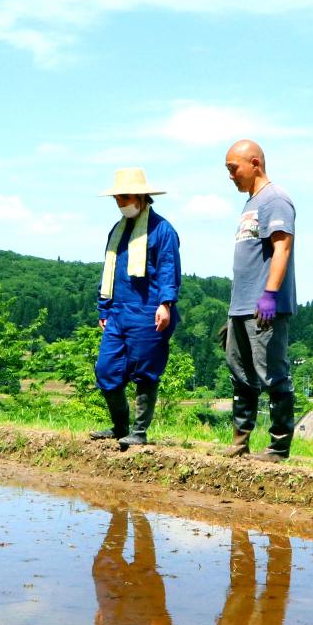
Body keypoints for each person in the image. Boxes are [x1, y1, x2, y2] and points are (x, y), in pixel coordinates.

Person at [89, 167, 182, 450]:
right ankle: (120, 427)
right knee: (106, 369)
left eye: (125, 197)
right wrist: (104, 309)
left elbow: (168, 268)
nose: (121, 202)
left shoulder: (162, 230)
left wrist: (165, 304)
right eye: (117, 198)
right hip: (118, 312)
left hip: (148, 310)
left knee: (146, 371)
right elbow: (110, 271)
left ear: (141, 196)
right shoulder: (117, 231)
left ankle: (139, 431)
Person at [222, 140, 296, 460]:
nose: (230, 176)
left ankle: (278, 446)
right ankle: (240, 443)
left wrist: (269, 295)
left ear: (255, 164)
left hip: (263, 308)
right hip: (241, 306)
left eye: (233, 169)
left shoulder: (275, 200)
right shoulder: (250, 203)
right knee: (240, 373)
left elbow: (283, 248)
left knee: (272, 374)